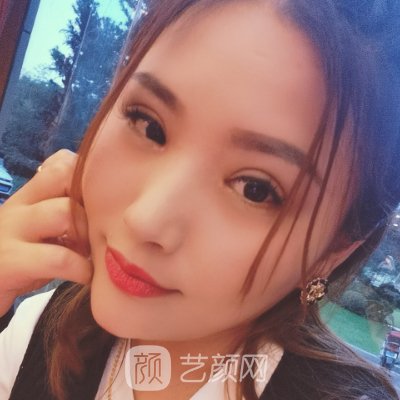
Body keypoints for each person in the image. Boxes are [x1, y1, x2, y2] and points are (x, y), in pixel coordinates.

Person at [0, 0, 400, 399]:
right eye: (148, 124)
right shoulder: (41, 329)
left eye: (254, 189)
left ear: (333, 250)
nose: (145, 219)